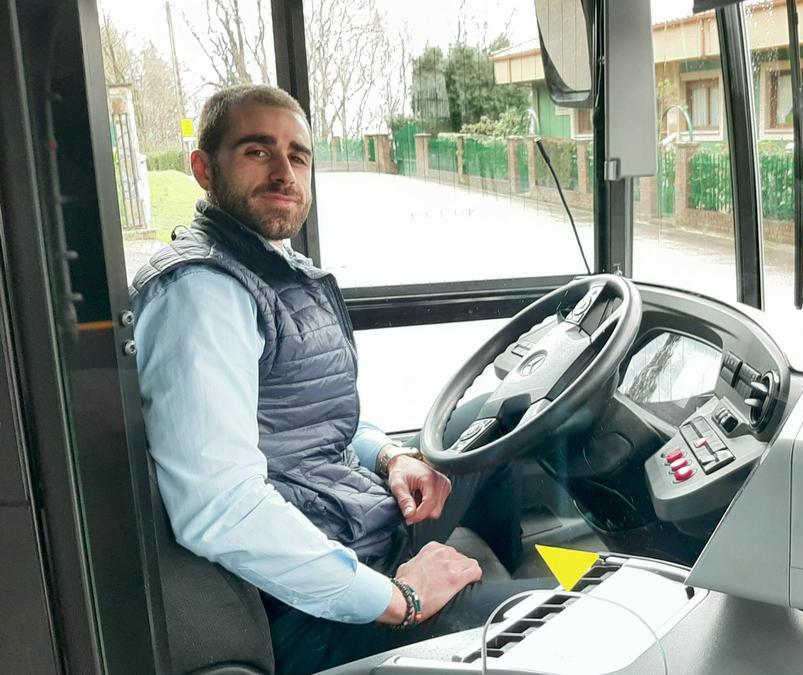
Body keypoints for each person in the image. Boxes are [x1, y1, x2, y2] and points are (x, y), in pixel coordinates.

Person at [130, 84, 543, 675]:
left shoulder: (276, 269)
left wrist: (389, 459)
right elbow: (221, 507)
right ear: (203, 168)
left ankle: (493, 588)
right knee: (574, 611)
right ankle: (507, 620)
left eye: (298, 156)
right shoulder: (204, 294)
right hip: (314, 612)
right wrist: (402, 600)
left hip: (356, 520)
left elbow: (311, 419)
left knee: (499, 420)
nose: (283, 172)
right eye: (256, 151)